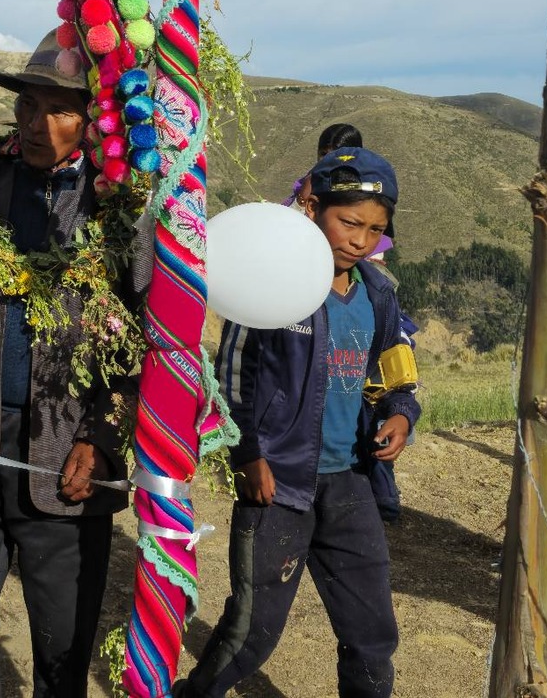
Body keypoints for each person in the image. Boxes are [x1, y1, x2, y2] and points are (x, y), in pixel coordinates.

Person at [0, 35, 141, 698]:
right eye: (28, 106)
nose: (38, 124)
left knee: (63, 640)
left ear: (95, 119)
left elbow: (143, 340)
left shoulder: (121, 209)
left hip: (68, 452)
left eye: (61, 110)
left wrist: (101, 438)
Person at [184, 147, 421, 698]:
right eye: (350, 222)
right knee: (252, 633)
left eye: (375, 230)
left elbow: (396, 372)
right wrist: (247, 454)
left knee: (372, 634)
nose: (360, 241)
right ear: (312, 209)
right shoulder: (275, 283)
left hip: (351, 483)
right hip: (280, 485)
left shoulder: (378, 294)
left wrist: (401, 414)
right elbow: (232, 377)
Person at [286, 124, 392, 262]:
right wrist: (301, 200)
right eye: (324, 154)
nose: (329, 161)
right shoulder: (308, 183)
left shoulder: (366, 188)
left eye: (338, 155)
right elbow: (286, 228)